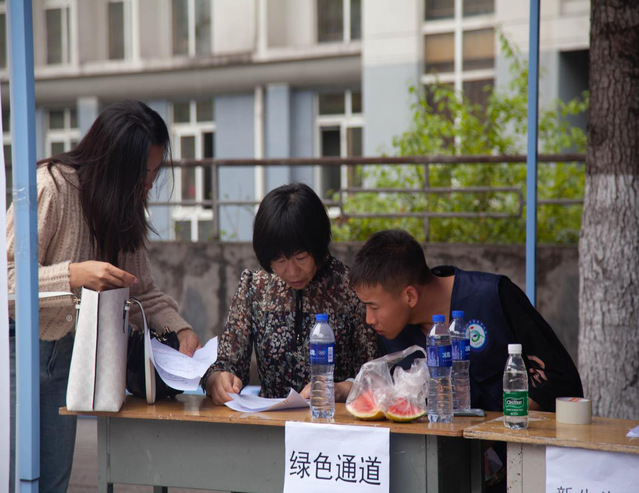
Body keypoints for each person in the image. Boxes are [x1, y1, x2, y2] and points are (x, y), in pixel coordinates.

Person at [7, 100, 201, 493]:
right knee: (12, 476)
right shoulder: (51, 187)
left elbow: (140, 290)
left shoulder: (124, 206)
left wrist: (180, 330)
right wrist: (75, 275)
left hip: (70, 355)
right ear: (115, 165)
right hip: (16, 352)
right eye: (143, 173)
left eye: (155, 172)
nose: (149, 184)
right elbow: (8, 283)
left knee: (52, 481)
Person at [350, 229, 583, 412]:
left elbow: (560, 378)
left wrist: (498, 429)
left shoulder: (493, 296)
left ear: (410, 296)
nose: (368, 319)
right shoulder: (391, 333)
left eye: (374, 307)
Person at [201, 183, 378, 404]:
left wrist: (342, 389)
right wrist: (218, 381)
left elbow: (374, 374)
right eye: (280, 261)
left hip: (331, 417)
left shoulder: (351, 290)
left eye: (301, 258)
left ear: (318, 246)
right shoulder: (255, 288)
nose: (292, 272)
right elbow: (226, 363)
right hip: (269, 419)